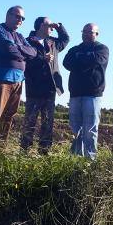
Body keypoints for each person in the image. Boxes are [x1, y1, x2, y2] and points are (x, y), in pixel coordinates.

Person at [0, 6, 37, 144]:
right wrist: (22, 54)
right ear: (8, 15)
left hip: (18, 81)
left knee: (8, 117)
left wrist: (19, 49)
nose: (20, 20)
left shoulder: (20, 36)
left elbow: (33, 52)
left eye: (22, 18)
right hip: (0, 79)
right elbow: (9, 49)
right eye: (17, 16)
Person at [21, 17, 70, 154]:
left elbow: (66, 38)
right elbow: (25, 61)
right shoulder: (27, 41)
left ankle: (44, 152)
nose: (52, 28)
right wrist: (42, 59)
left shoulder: (52, 42)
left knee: (47, 123)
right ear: (41, 26)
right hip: (34, 88)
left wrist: (59, 26)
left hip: (50, 89)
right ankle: (24, 151)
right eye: (49, 25)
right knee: (29, 122)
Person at [62, 23, 108, 159]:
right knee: (75, 127)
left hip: (93, 94)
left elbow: (95, 60)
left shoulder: (102, 49)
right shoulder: (75, 48)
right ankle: (76, 157)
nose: (86, 34)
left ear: (96, 34)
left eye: (90, 32)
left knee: (90, 129)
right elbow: (66, 63)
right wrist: (86, 58)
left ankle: (90, 159)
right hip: (75, 93)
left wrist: (79, 59)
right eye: (84, 32)